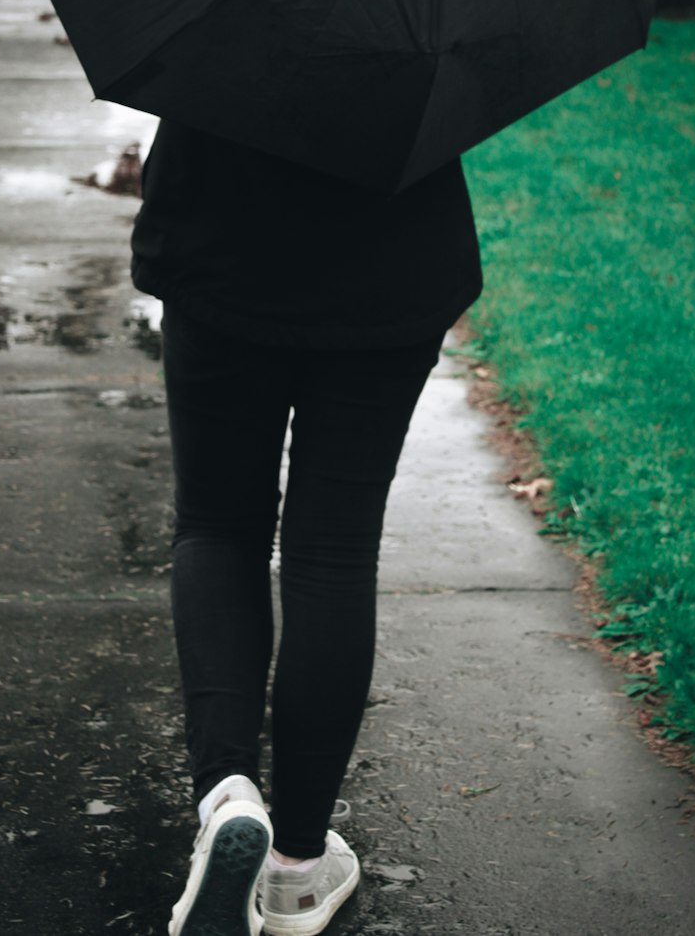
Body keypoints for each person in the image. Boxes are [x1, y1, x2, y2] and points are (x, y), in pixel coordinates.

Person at [130, 118, 482, 936]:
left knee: (217, 524)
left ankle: (226, 797)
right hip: (389, 256)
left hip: (219, 233)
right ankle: (293, 868)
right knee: (333, 550)